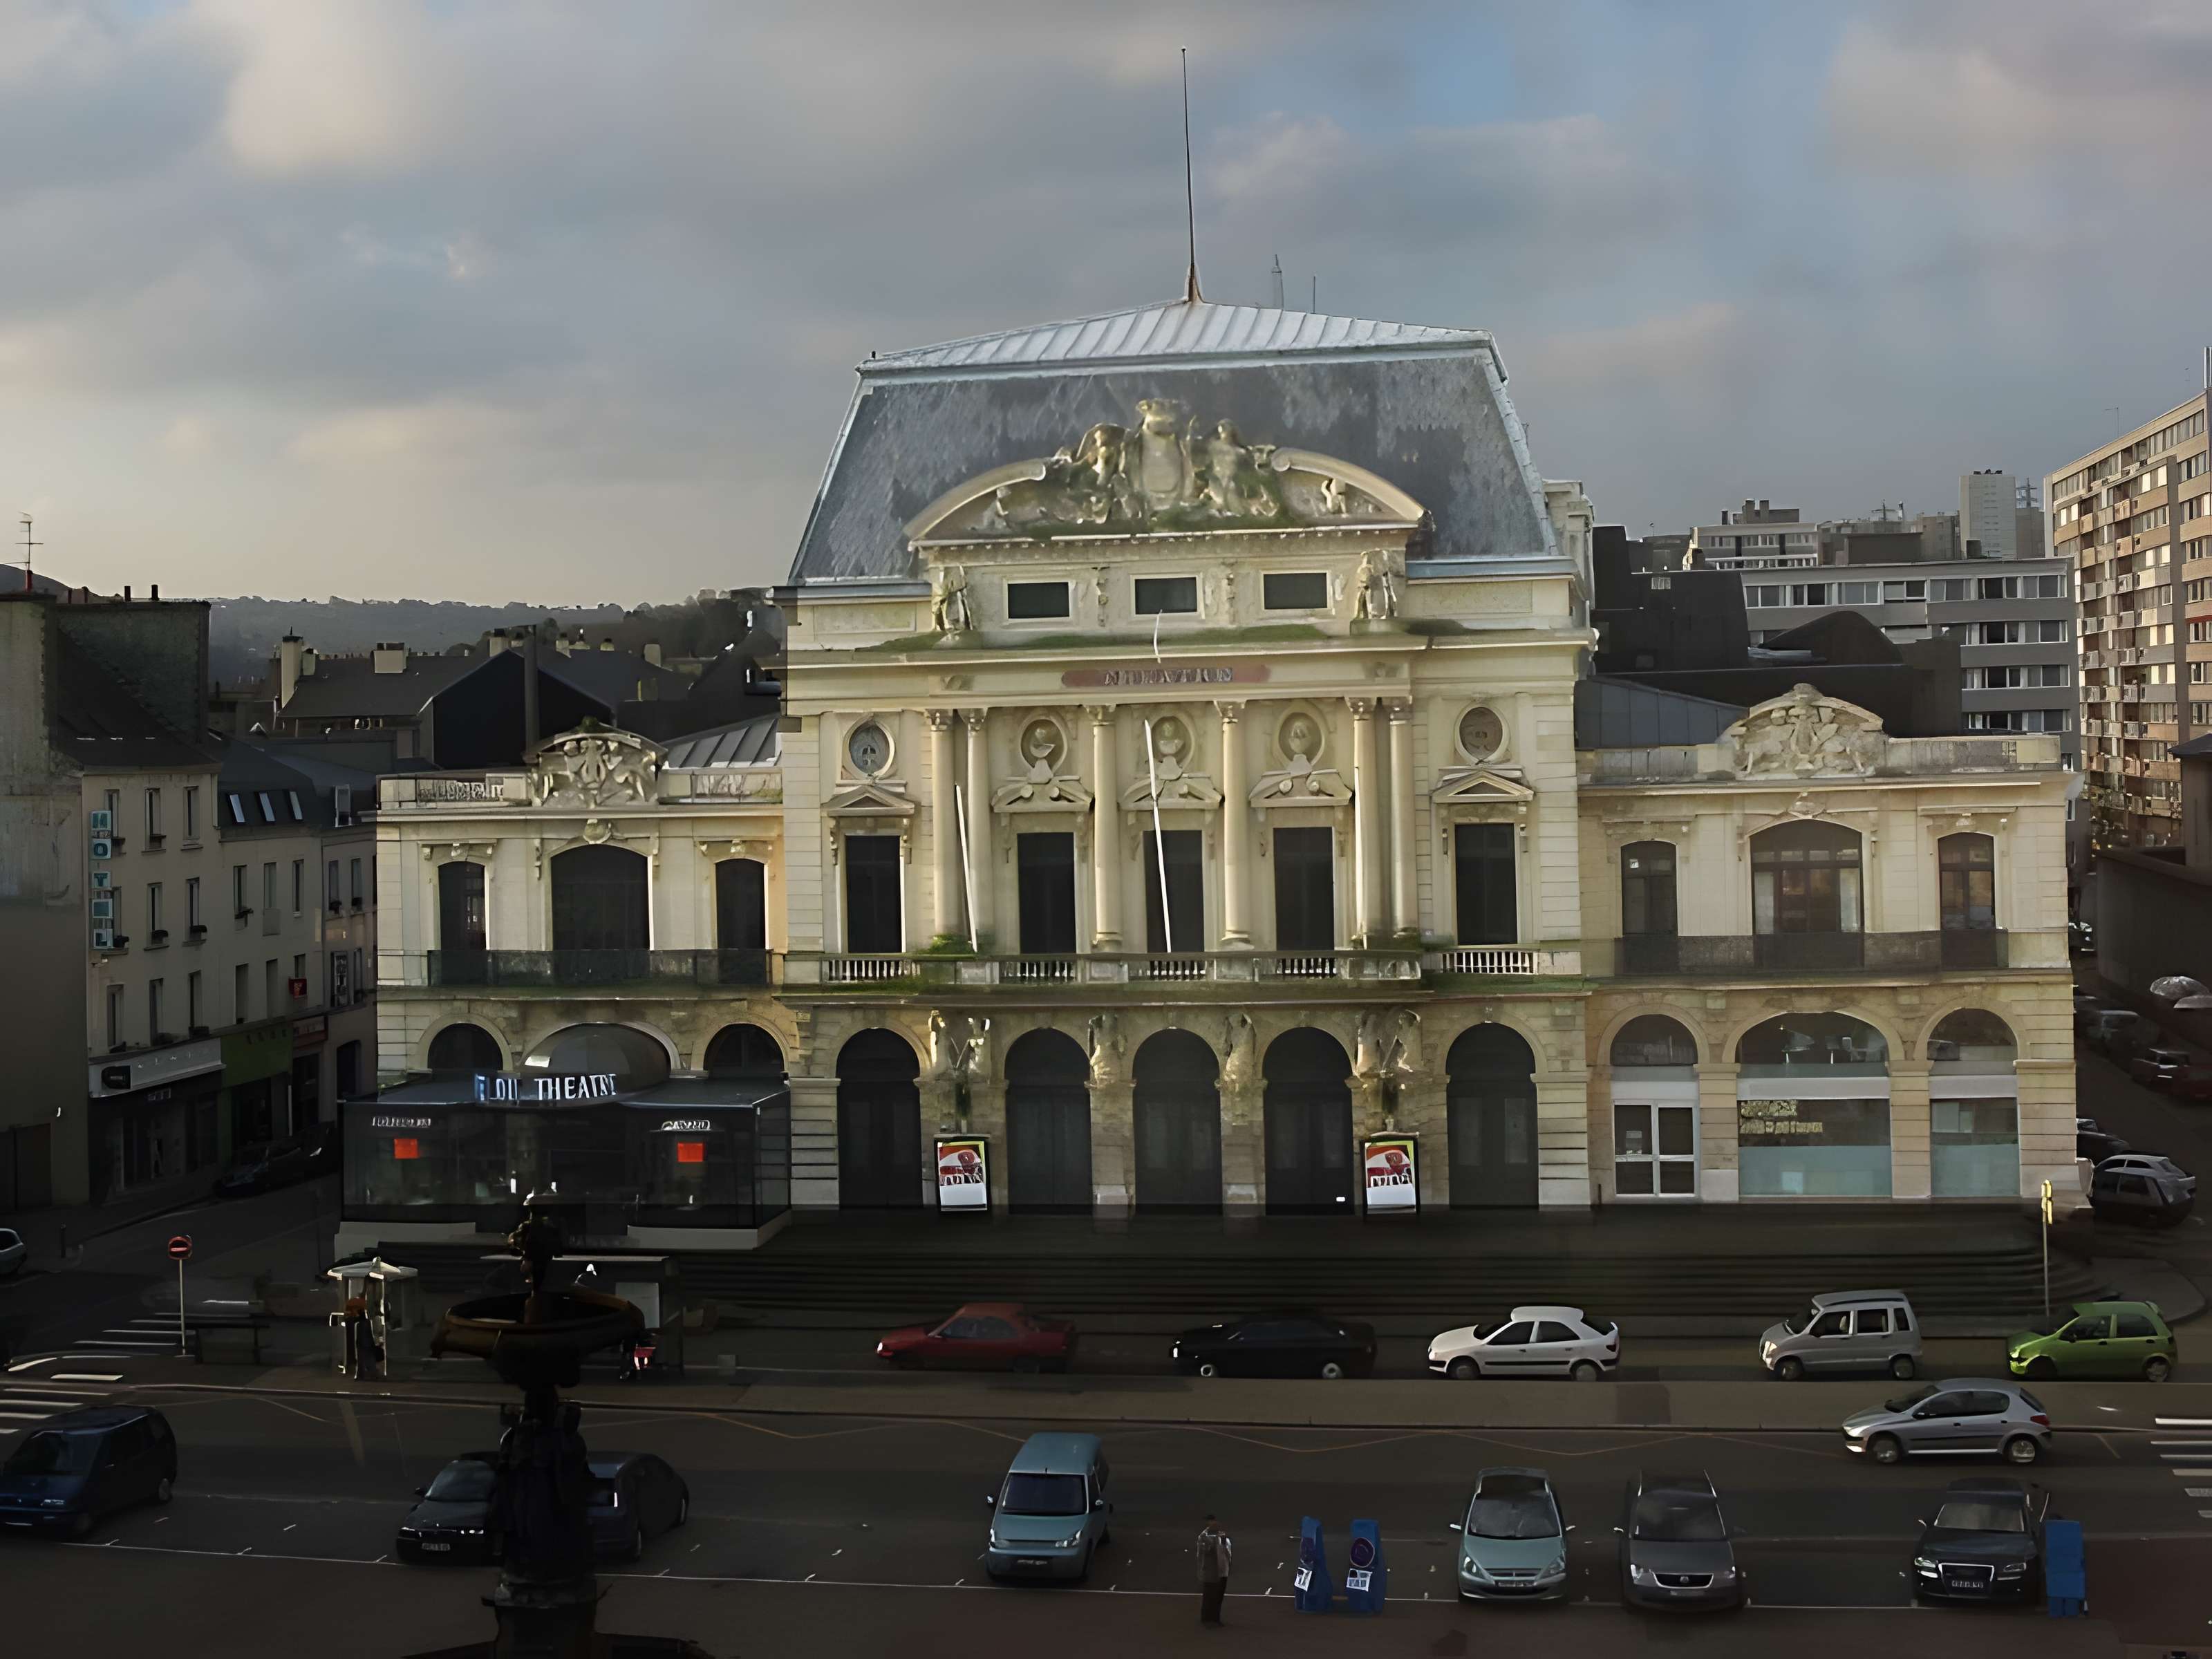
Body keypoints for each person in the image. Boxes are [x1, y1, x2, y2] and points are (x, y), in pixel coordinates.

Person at [1195, 1514, 1232, 1626]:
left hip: (1222, 1571)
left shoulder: (1223, 1537)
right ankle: (1207, 1619)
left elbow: (1227, 1553)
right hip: (1211, 1572)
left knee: (1218, 1597)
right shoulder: (1204, 1537)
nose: (1216, 1524)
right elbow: (1205, 1551)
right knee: (1209, 1596)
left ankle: (1215, 1618)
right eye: (1213, 1522)